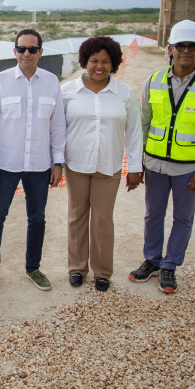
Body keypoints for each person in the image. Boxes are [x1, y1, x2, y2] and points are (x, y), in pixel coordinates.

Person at [129, 20, 195, 293]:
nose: (185, 50)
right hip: (155, 165)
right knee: (153, 215)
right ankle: (152, 261)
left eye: (191, 46)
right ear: (170, 48)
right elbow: (143, 123)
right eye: (180, 46)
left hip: (189, 169)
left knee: (183, 219)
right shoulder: (154, 80)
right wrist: (137, 162)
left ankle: (170, 265)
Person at [0, 28, 66, 293]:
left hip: (39, 164)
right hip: (5, 163)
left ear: (40, 52)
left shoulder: (51, 82)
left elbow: (58, 125)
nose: (26, 53)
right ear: (14, 51)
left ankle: (33, 268)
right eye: (21, 49)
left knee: (37, 218)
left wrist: (58, 162)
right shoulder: (0, 81)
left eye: (32, 49)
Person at [61, 36, 143, 292]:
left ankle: (102, 272)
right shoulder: (67, 92)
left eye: (105, 61)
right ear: (85, 61)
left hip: (109, 167)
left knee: (103, 219)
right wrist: (55, 162)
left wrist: (135, 168)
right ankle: (77, 268)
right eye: (94, 60)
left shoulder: (124, 93)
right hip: (76, 166)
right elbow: (57, 130)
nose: (99, 66)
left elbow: (134, 132)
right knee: (77, 216)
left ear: (114, 63)